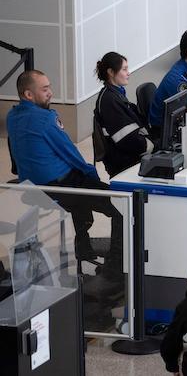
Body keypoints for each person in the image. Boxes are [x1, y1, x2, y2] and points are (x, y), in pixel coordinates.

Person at [6, 70, 123, 294]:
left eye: (49, 86)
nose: (51, 93)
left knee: (82, 195)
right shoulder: (45, 119)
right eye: (45, 89)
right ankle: (114, 270)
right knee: (121, 207)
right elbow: (71, 154)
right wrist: (93, 175)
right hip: (60, 186)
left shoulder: (12, 117)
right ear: (28, 94)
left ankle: (82, 245)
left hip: (31, 188)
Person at [94, 52, 154, 177]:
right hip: (125, 161)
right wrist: (152, 145)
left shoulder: (116, 94)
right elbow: (127, 139)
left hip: (128, 154)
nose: (128, 73)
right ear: (111, 72)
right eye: (124, 69)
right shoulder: (109, 100)